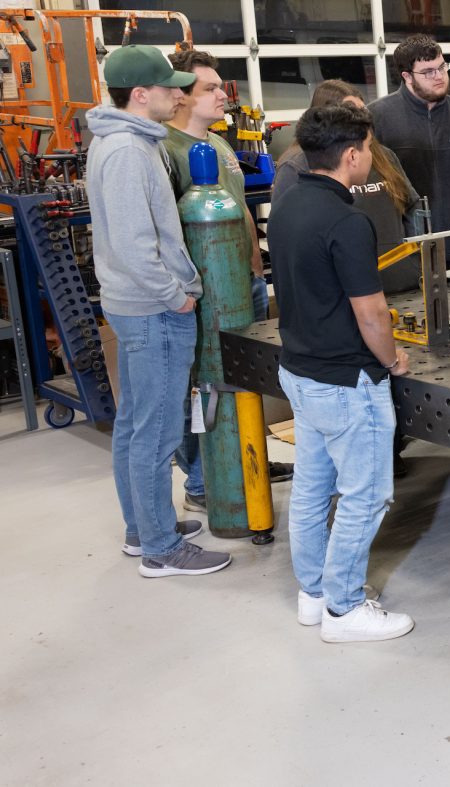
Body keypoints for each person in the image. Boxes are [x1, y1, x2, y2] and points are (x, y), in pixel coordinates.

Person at [268, 104, 415, 641]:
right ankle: (344, 610)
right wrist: (392, 359)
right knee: (366, 494)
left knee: (311, 488)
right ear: (352, 155)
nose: (371, 159)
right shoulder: (347, 220)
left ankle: (315, 594)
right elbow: (371, 313)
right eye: (369, 150)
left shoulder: (284, 207)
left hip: (300, 372)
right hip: (346, 382)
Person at [87, 45, 230, 577]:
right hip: (152, 309)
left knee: (135, 425)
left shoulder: (125, 141)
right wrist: (176, 294)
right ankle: (161, 548)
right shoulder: (127, 151)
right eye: (170, 87)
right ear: (140, 94)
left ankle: (141, 528)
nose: (179, 93)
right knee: (158, 431)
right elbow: (132, 242)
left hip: (138, 306)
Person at [164, 49, 292, 512]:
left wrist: (257, 266)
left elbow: (239, 213)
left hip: (247, 282)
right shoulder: (166, 151)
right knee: (206, 385)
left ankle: (250, 460)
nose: (223, 94)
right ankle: (202, 483)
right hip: (207, 293)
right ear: (179, 96)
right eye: (211, 88)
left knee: (247, 378)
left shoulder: (217, 144)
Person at [274, 80, 422, 294]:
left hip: (402, 284)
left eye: (364, 112)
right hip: (347, 295)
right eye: (351, 112)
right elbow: (289, 238)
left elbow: (412, 205)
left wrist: (414, 260)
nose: (363, 121)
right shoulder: (296, 165)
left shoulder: (382, 155)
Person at [368, 34, 450, 256]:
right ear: (407, 76)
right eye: (428, 72)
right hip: (405, 251)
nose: (439, 76)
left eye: (441, 67)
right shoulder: (376, 119)